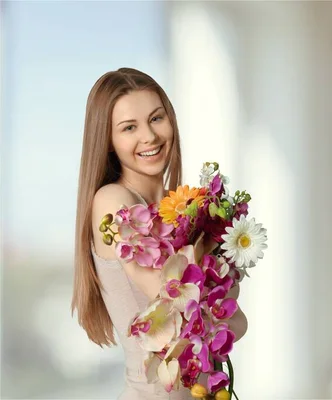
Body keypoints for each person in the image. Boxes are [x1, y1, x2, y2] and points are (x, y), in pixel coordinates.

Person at [71, 68, 247, 400]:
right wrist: (209, 244)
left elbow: (236, 324)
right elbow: (179, 305)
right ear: (108, 141)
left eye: (156, 118)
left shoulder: (183, 211)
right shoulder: (112, 201)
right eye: (129, 128)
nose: (149, 136)